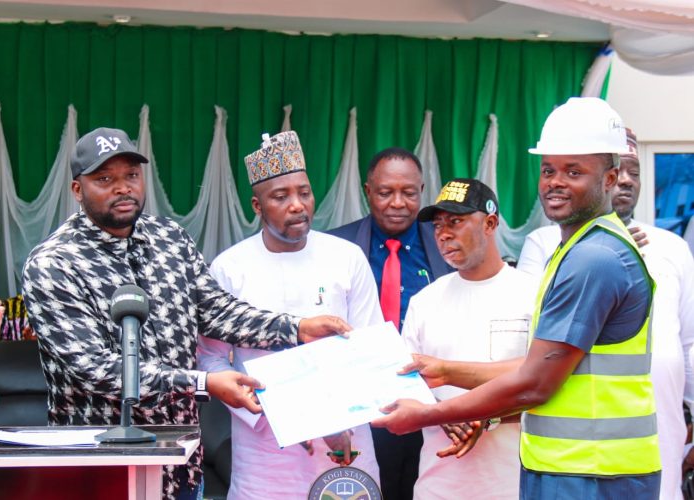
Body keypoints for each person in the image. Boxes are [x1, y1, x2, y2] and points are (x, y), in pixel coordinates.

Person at [21, 127, 349, 500]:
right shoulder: (54, 263)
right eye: (105, 179)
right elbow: (94, 368)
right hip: (99, 469)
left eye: (131, 175)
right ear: (78, 190)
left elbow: (218, 311)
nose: (123, 188)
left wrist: (297, 328)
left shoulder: (170, 239)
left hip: (179, 465)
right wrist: (202, 383)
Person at [372, 97, 661, 499]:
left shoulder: (593, 258)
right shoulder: (575, 252)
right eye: (548, 170)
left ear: (610, 179)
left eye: (574, 171)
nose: (555, 182)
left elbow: (534, 382)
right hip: (570, 468)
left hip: (591, 473)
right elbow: (536, 370)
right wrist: (446, 374)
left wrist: (429, 413)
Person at [197, 131, 381, 499]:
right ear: (257, 205)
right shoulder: (230, 268)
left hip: (343, 436)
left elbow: (369, 347)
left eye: (304, 193)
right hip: (265, 446)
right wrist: (266, 407)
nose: (297, 205)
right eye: (281, 197)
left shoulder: (345, 257)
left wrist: (336, 417)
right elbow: (210, 359)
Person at [517, 128, 694, 500]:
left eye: (635, 171)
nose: (627, 180)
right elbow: (536, 335)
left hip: (656, 426)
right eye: (620, 169)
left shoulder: (672, 247)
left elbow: (688, 344)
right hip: (576, 454)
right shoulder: (549, 244)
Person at [330, 147, 452, 500]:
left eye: (408, 192)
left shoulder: (446, 246)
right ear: (368, 191)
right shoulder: (336, 247)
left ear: (422, 190)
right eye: (385, 192)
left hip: (430, 399)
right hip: (360, 402)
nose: (397, 203)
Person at [402, 178, 537, 499]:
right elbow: (403, 386)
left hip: (513, 485)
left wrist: (483, 417)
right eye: (438, 225)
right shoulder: (425, 301)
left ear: (490, 223)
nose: (443, 234)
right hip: (438, 486)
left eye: (455, 222)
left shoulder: (533, 293)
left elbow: (548, 384)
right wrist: (442, 413)